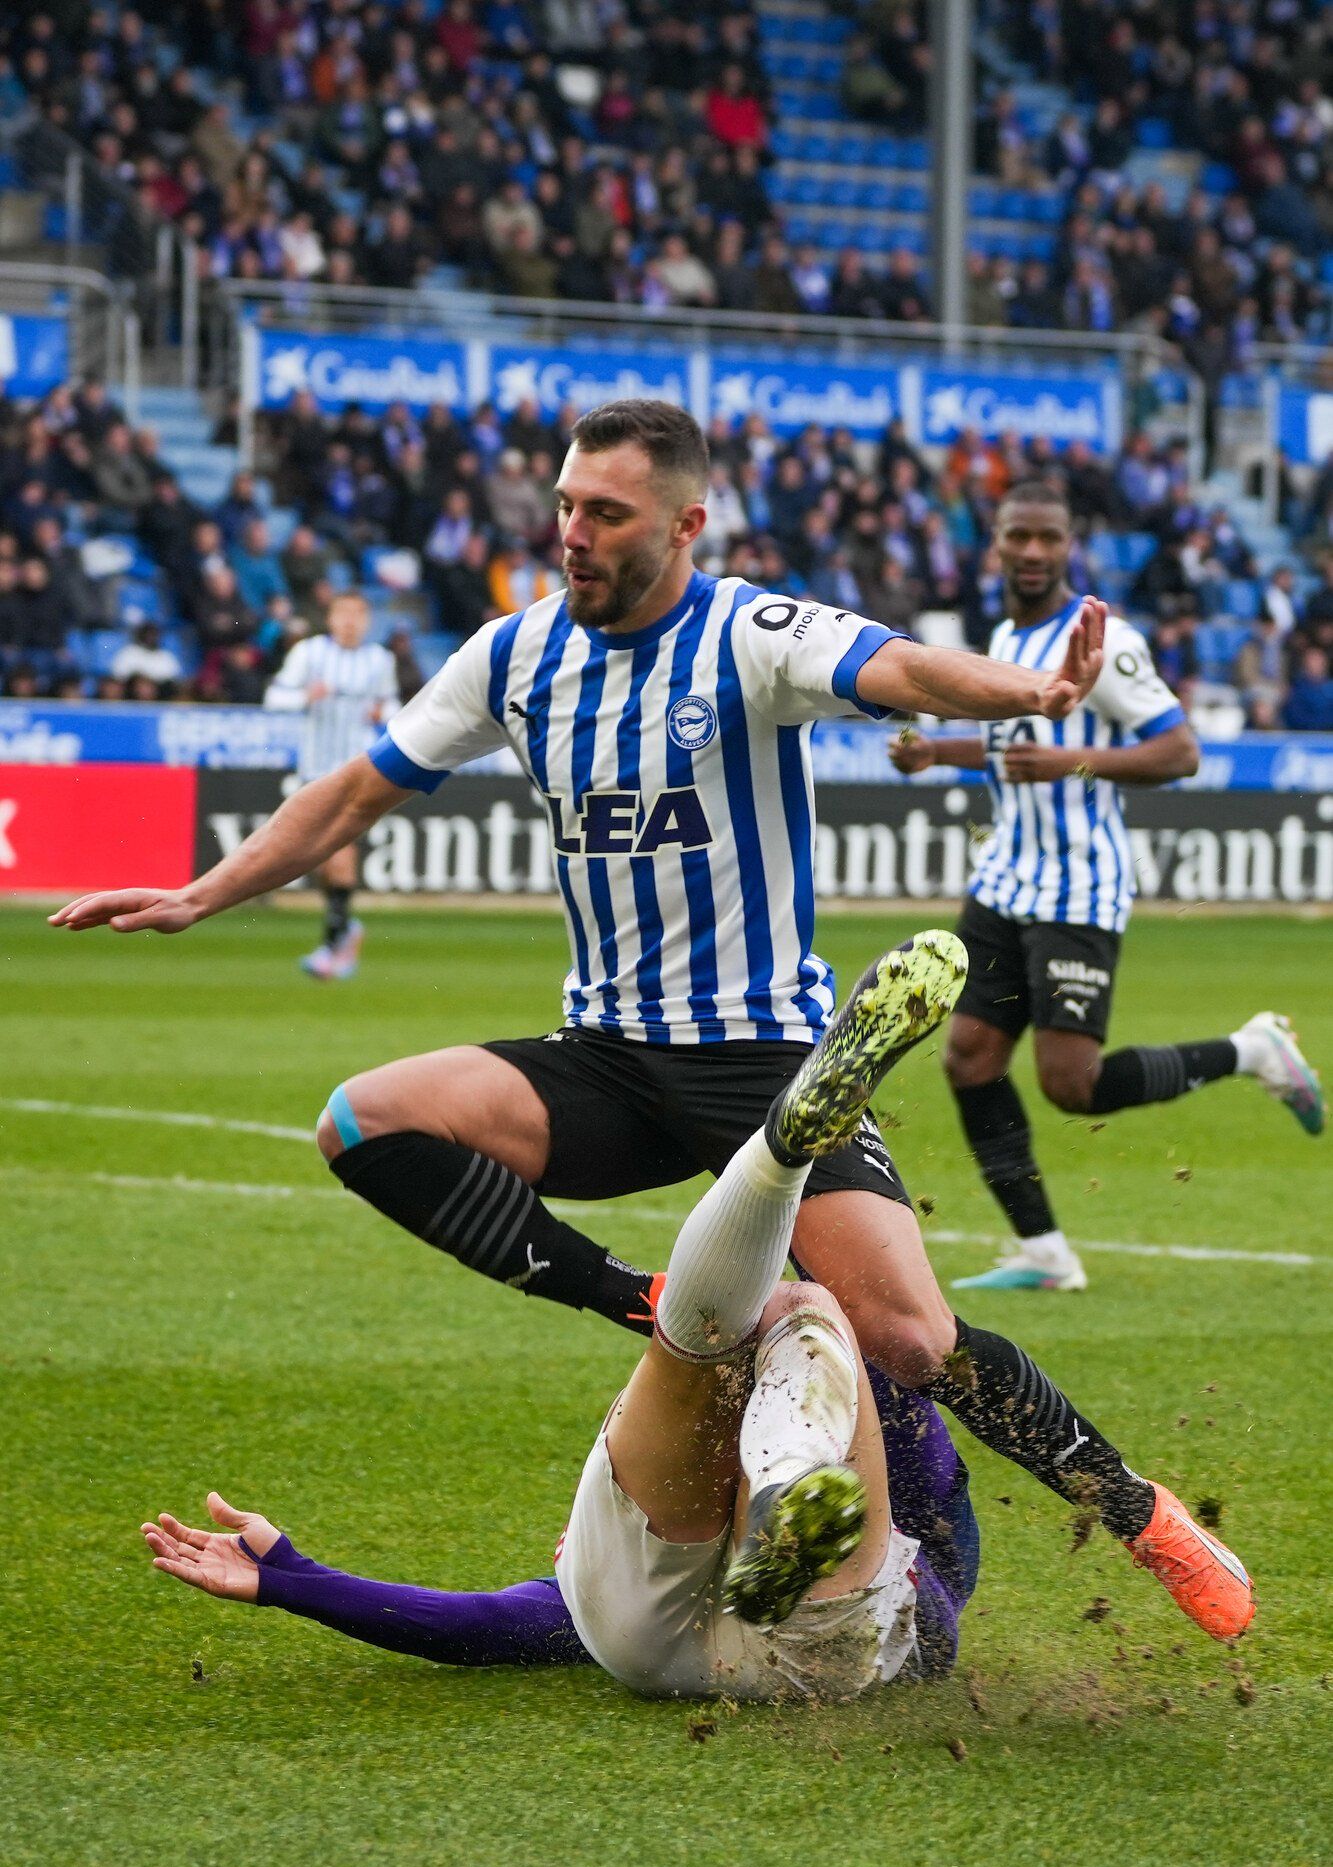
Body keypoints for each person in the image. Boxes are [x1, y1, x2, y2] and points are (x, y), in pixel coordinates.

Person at [53, 401, 1251, 1645]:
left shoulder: (750, 631)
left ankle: (1144, 1513)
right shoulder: (512, 655)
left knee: (905, 1332)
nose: (572, 533)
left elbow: (897, 667)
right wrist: (204, 890)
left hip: (767, 1060)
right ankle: (648, 1302)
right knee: (364, 1121)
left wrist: (1034, 689)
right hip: (607, 1060)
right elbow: (360, 786)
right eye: (566, 505)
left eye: (605, 513)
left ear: (683, 524)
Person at [140, 937, 1252, 1694]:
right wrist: (299, 1581)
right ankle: (778, 1247)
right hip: (846, 1633)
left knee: (737, 1338)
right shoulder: (914, 1490)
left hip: (646, 1648)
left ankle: (776, 1177)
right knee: (818, 1320)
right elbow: (917, 1450)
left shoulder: (606, 1589)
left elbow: (496, 1625)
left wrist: (300, 1580)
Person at [891, 481, 1324, 1294]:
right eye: (1016, 535)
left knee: (1070, 1084)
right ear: (995, 542)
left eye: (1045, 538)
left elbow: (1179, 752)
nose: (1029, 551)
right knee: (969, 1059)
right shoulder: (1002, 637)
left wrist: (1070, 761)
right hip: (1004, 878)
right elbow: (1011, 747)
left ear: (1068, 545)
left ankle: (1251, 1051)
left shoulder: (1105, 641)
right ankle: (1043, 1252)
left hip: (1077, 886)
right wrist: (935, 754)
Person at [261, 589, 400, 980]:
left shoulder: (379, 660)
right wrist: (306, 696)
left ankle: (334, 946)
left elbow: (393, 706)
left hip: (357, 770)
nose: (350, 621)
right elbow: (274, 698)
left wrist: (382, 712)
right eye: (343, 614)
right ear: (331, 618)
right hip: (313, 770)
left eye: (357, 614)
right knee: (321, 856)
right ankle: (345, 930)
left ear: (367, 620)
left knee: (339, 851)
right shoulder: (309, 653)